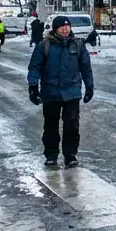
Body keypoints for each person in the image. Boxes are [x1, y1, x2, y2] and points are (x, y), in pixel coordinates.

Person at [27, 16, 93, 168]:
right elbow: (35, 67)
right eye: (62, 27)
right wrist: (33, 87)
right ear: (55, 29)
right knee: (50, 125)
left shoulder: (78, 45)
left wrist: (89, 86)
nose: (65, 29)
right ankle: (51, 154)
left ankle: (70, 155)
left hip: (72, 92)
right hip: (50, 91)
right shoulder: (45, 45)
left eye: (67, 26)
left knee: (72, 126)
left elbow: (86, 68)